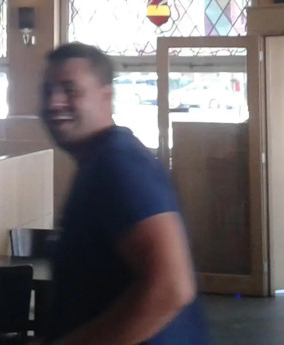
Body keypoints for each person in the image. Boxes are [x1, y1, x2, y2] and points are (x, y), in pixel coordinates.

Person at [40, 42, 210, 345]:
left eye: (70, 90)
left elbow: (172, 287)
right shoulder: (99, 163)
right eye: (47, 91)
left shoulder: (118, 164)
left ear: (106, 96)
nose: (54, 103)